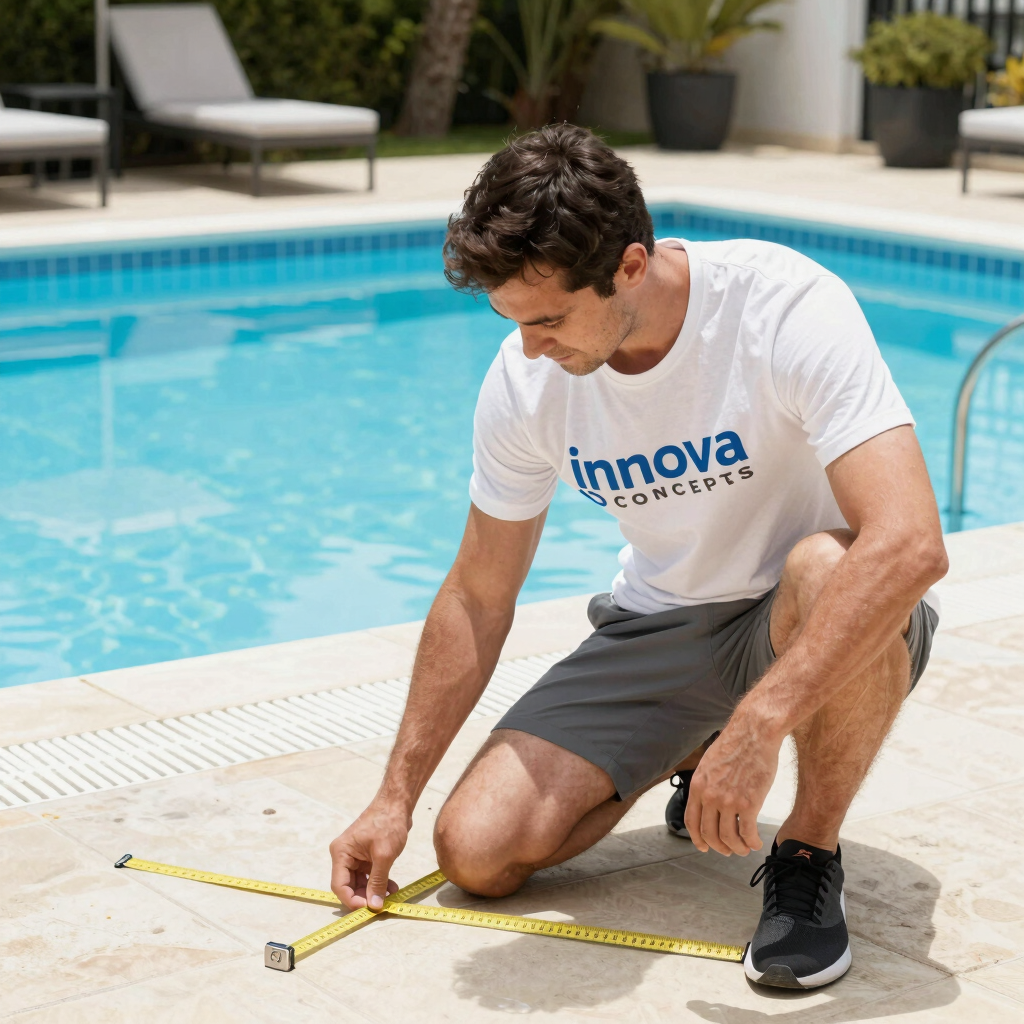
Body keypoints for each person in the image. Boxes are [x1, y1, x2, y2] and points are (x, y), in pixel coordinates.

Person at [328, 124, 947, 989]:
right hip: (663, 624)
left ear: (629, 266)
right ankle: (690, 749)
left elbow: (910, 543)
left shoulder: (782, 306)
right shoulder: (526, 377)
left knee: (829, 563)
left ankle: (809, 854)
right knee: (476, 852)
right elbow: (477, 593)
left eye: (549, 319)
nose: (531, 348)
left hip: (811, 614)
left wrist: (761, 726)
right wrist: (393, 797)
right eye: (514, 321)